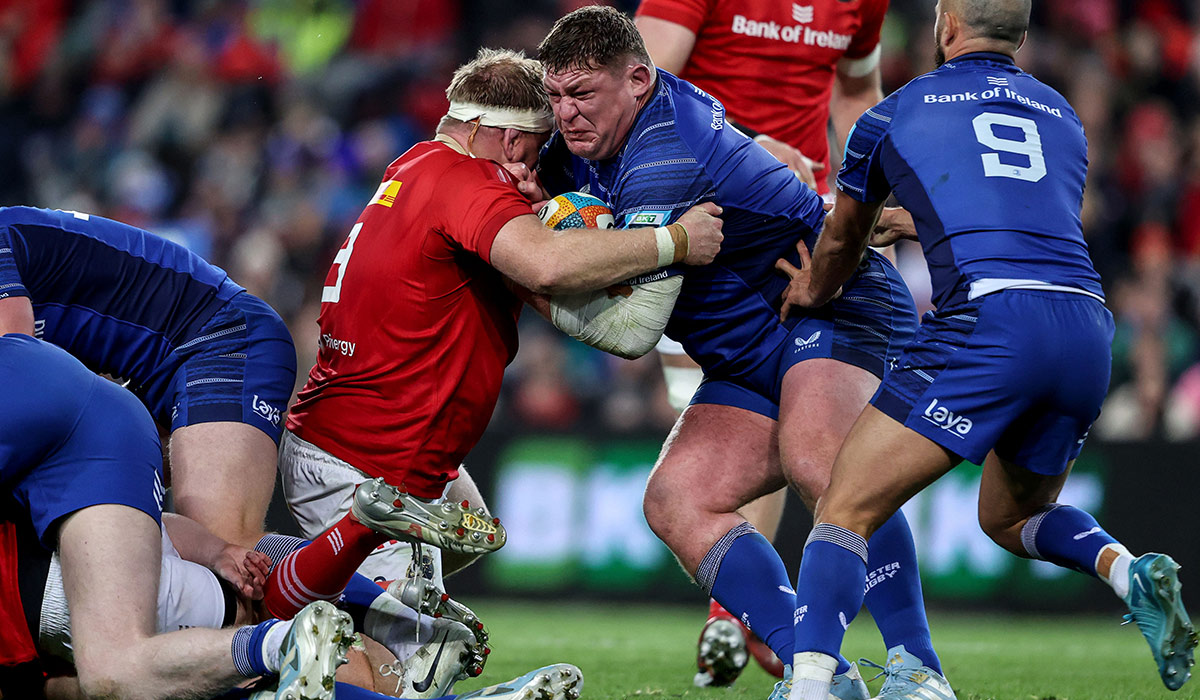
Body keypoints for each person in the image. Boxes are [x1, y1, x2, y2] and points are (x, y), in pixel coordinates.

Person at [774, 0, 1199, 696]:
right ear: (1022, 34)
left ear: (945, 24)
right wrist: (912, 219)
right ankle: (1127, 570)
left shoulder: (897, 110)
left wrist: (814, 292)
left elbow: (842, 241)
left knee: (845, 506)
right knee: (1012, 516)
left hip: (992, 322)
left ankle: (812, 686)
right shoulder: (1064, 116)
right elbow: (1008, 207)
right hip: (1086, 328)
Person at [534, 7, 949, 700]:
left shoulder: (664, 157)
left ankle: (919, 669)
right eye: (555, 98)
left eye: (582, 96)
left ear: (638, 80)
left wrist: (538, 278)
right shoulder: (585, 138)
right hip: (750, 350)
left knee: (824, 465)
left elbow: (634, 334)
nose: (566, 115)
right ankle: (820, 675)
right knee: (677, 500)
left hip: (831, 301)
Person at [270, 48, 723, 624]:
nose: (532, 174)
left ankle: (334, 595)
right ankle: (317, 621)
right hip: (365, 465)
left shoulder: (416, 165)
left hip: (366, 445)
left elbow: (521, 274)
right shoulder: (471, 180)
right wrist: (676, 241)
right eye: (534, 154)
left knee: (471, 531)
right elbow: (551, 270)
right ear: (511, 143)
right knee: (418, 666)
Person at [632, 0, 893, 683]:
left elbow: (859, 92)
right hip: (706, 220)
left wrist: (860, 200)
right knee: (747, 433)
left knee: (810, 442)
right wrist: (740, 142)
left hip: (801, 235)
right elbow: (641, 84)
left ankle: (745, 618)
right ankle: (753, 613)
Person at [0, 333, 349, 700]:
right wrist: (216, 549)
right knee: (92, 682)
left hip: (104, 431)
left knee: (117, 668)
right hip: (87, 443)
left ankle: (283, 640)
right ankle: (372, 593)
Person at [0, 206, 296, 550]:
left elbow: (17, 371)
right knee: (138, 537)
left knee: (223, 549)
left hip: (219, 339)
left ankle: (372, 596)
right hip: (148, 380)